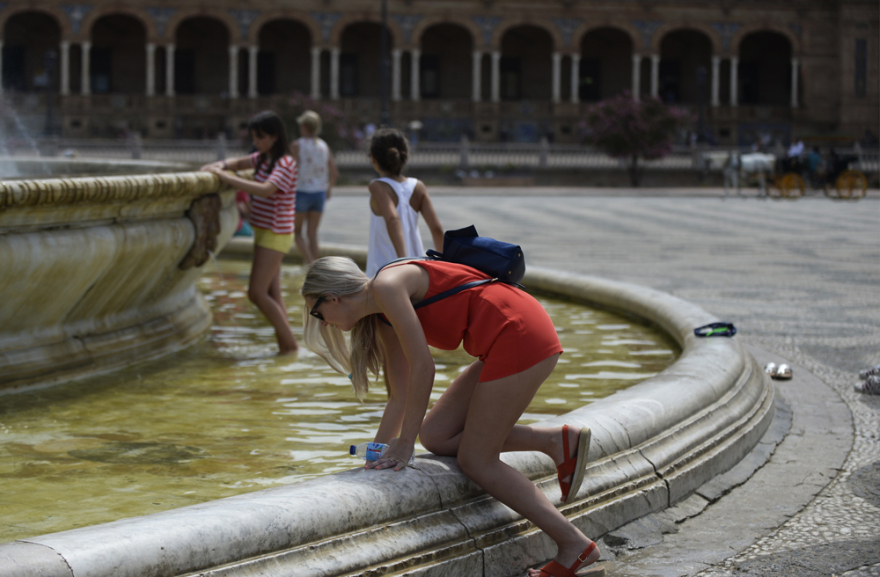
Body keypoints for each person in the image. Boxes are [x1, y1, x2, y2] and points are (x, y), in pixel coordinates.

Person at [300, 256, 602, 577]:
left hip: (519, 332)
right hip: (501, 339)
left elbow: (424, 367)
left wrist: (405, 444)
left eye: (317, 313)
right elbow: (401, 395)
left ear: (333, 298)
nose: (321, 322)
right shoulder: (382, 315)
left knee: (477, 460)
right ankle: (555, 440)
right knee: (436, 435)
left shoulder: (387, 286)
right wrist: (381, 453)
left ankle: (575, 546)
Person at [201, 111, 298, 355]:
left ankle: (291, 346)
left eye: (261, 137)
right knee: (273, 293)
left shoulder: (285, 162)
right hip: (265, 232)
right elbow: (239, 162)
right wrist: (221, 165)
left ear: (275, 137)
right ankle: (286, 347)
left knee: (256, 293)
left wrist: (225, 177)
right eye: (254, 136)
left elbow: (266, 190)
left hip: (276, 233)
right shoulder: (263, 159)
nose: (256, 141)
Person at [366, 128, 444, 277]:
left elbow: (393, 219)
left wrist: (403, 262)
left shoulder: (377, 186)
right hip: (418, 269)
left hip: (386, 271)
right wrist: (445, 264)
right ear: (405, 156)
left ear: (373, 158)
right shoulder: (418, 186)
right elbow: (437, 229)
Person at [290, 110, 338, 263]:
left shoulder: (297, 145)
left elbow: (290, 169)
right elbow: (334, 172)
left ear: (303, 126)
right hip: (319, 193)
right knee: (312, 234)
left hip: (302, 191)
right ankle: (314, 266)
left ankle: (310, 262)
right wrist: (329, 188)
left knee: (296, 232)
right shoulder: (324, 146)